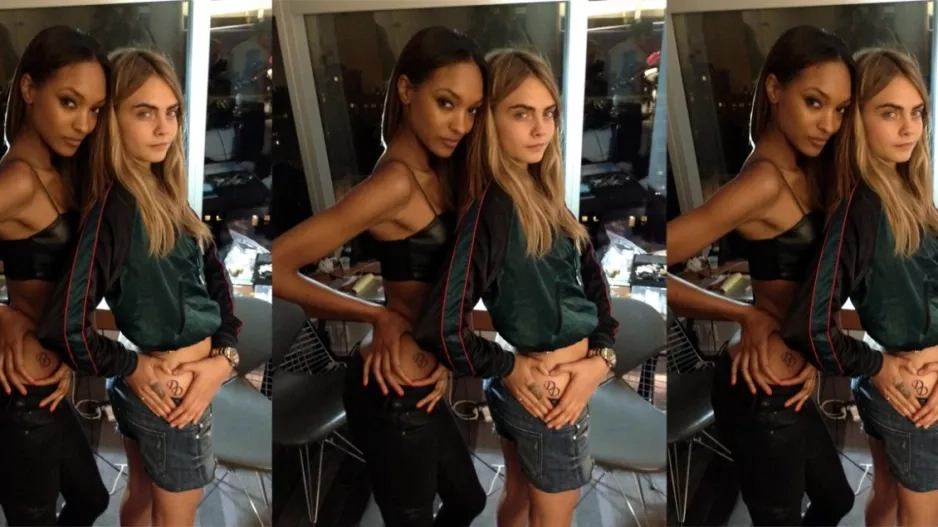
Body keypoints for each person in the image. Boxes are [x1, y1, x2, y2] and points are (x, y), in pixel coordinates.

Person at [272, 27, 487, 526]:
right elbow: (278, 265)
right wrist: (377, 315)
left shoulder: (437, 170)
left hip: (419, 379)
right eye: (446, 103)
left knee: (469, 502)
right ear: (407, 90)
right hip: (395, 393)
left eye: (472, 110)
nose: (461, 124)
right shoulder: (394, 183)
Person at [35, 48, 242, 527]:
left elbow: (214, 278)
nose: (164, 128)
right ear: (113, 120)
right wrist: (129, 365)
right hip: (169, 393)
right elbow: (63, 325)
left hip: (176, 383)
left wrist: (224, 357)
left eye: (171, 112)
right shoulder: (117, 207)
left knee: (142, 497)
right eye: (144, 113)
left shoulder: (162, 188)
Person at [414, 48, 619, 527]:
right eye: (521, 114)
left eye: (548, 113)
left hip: (552, 384)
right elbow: (440, 326)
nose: (541, 129)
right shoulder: (495, 207)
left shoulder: (539, 189)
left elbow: (592, 279)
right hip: (545, 394)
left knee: (521, 498)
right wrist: (506, 365)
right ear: (490, 121)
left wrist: (602, 358)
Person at [665, 26, 856, 525]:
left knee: (838, 501)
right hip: (762, 392)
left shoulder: (805, 168)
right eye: (814, 102)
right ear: (774, 89)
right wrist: (743, 314)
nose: (829, 124)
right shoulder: (763, 182)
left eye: (840, 109)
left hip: (786, 379)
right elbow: (653, 266)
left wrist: (816, 348)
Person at [782, 47, 938, 527]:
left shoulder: (908, 191)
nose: (909, 128)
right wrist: (877, 366)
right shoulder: (863, 207)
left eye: (916, 112)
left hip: (909, 378)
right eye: (890, 113)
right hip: (912, 388)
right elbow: (809, 326)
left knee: (887, 492)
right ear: (858, 121)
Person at [0, 25, 110, 526]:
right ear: (29, 88)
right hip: (21, 395)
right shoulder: (18, 180)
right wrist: (3, 316)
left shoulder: (59, 169)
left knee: (92, 500)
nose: (84, 124)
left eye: (95, 109)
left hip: (45, 384)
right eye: (69, 102)